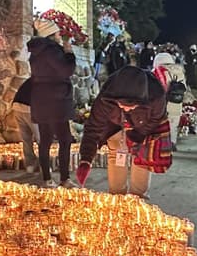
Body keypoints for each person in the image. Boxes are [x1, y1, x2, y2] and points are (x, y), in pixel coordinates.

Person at [76, 66, 171, 197]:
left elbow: (155, 118)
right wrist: (86, 159)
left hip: (142, 126)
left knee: (141, 157)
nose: (126, 109)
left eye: (131, 106)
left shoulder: (156, 95)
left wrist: (139, 134)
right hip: (115, 125)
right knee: (116, 151)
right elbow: (93, 127)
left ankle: (137, 197)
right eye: (121, 104)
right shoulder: (106, 97)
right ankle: (117, 196)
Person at [26, 17, 76, 187]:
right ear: (51, 34)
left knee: (45, 139)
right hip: (56, 100)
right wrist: (69, 53)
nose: (59, 35)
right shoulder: (52, 51)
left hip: (41, 99)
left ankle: (47, 178)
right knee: (65, 139)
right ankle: (64, 178)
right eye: (57, 32)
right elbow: (66, 70)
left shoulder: (36, 52)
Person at [152, 51, 187, 147]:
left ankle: (163, 143)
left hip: (164, 102)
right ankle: (173, 142)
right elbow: (184, 88)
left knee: (163, 123)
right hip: (177, 101)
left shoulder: (158, 71)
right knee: (174, 123)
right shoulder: (180, 72)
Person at [11, 78, 39, 173]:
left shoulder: (33, 79)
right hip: (30, 108)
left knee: (26, 139)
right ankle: (45, 167)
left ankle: (30, 165)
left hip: (16, 107)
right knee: (42, 139)